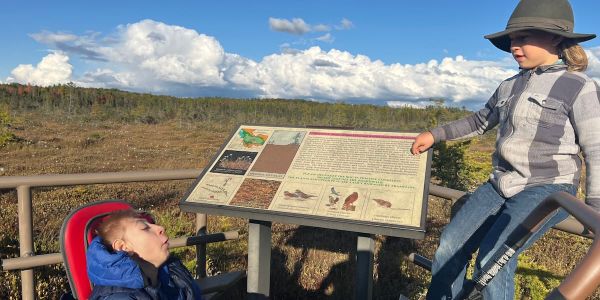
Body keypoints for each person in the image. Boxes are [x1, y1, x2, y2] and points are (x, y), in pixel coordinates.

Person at [410, 0, 599, 298]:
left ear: (555, 38)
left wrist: (594, 207)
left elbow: (596, 147)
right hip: (501, 183)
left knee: (493, 258)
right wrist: (435, 135)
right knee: (449, 246)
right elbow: (479, 121)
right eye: (512, 39)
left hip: (547, 189)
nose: (514, 46)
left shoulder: (579, 86)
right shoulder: (508, 86)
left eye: (523, 37)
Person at [86, 209, 203, 299]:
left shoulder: (171, 268)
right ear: (123, 247)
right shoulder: (119, 297)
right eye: (145, 228)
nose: (161, 228)